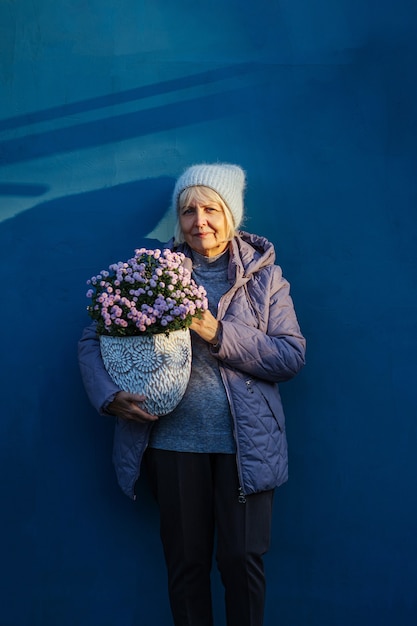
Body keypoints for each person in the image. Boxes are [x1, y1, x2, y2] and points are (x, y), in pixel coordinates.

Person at [78, 163, 306, 626]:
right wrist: (108, 395)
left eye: (210, 209)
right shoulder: (150, 273)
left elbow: (289, 356)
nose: (199, 221)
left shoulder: (266, 279)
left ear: (231, 215)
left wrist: (217, 331)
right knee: (186, 565)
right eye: (187, 211)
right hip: (173, 444)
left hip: (247, 449)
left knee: (241, 562)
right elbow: (92, 339)